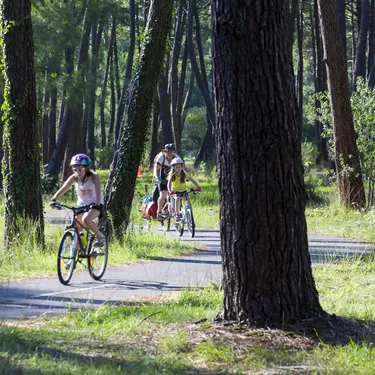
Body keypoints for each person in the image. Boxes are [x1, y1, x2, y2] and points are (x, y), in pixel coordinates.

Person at [49, 153, 105, 247]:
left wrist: (97, 204)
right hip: (81, 205)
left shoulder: (95, 176)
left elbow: (98, 191)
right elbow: (63, 188)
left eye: (79, 169)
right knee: (77, 228)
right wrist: (54, 199)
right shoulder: (74, 178)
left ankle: (100, 236)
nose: (77, 172)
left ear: (86, 168)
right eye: (74, 169)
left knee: (86, 219)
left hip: (95, 204)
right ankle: (74, 255)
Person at [153, 143, 187, 221]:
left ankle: (175, 211)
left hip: (173, 179)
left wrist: (187, 176)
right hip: (162, 179)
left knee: (177, 194)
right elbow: (156, 168)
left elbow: (183, 168)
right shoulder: (162, 158)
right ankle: (159, 210)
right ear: (165, 151)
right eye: (168, 151)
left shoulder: (177, 158)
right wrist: (157, 177)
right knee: (163, 195)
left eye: (171, 151)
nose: (170, 153)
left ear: (174, 151)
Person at [167, 157, 200, 222]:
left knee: (187, 201)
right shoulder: (172, 175)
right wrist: (170, 191)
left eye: (180, 167)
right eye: (177, 167)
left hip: (183, 190)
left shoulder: (184, 174)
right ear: (174, 167)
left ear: (182, 167)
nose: (178, 168)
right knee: (177, 198)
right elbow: (169, 184)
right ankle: (177, 214)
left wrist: (198, 187)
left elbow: (192, 180)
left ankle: (190, 217)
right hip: (176, 191)